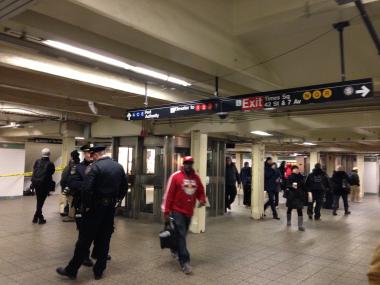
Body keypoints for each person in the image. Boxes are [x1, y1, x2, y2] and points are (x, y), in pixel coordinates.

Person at [56, 145, 127, 280]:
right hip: (109, 208)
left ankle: (71, 270)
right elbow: (124, 187)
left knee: (84, 240)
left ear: (96, 155)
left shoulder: (95, 167)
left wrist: (87, 206)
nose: (91, 157)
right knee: (105, 238)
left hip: (94, 208)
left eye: (92, 155)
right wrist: (116, 201)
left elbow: (87, 189)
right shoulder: (118, 166)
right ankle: (99, 271)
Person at [162, 156, 206, 274]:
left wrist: (202, 199)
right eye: (186, 163)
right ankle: (185, 262)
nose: (188, 165)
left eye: (190, 163)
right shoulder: (176, 176)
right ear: (183, 164)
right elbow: (169, 195)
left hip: (189, 212)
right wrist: (166, 211)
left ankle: (175, 248)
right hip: (177, 211)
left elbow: (201, 191)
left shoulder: (196, 178)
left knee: (182, 234)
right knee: (181, 234)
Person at [31, 148, 55, 224]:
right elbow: (51, 173)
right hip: (44, 185)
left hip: (36, 184)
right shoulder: (50, 163)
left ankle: (36, 217)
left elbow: (34, 170)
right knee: (40, 202)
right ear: (49, 154)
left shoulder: (37, 161)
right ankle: (40, 218)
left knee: (39, 201)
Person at [60, 150, 80, 222]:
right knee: (71, 201)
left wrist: (65, 186)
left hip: (70, 187)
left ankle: (71, 216)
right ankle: (71, 214)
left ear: (71, 156)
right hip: (73, 186)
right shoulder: (78, 164)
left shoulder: (72, 165)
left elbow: (67, 177)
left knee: (71, 201)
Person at [285, 165, 306, 231]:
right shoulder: (290, 177)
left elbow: (303, 185)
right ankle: (288, 221)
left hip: (299, 195)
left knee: (299, 209)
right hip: (292, 195)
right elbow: (287, 185)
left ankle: (300, 225)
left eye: (297, 169)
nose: (297, 170)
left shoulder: (301, 177)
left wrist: (306, 192)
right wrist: (292, 186)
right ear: (292, 170)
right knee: (289, 208)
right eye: (295, 169)